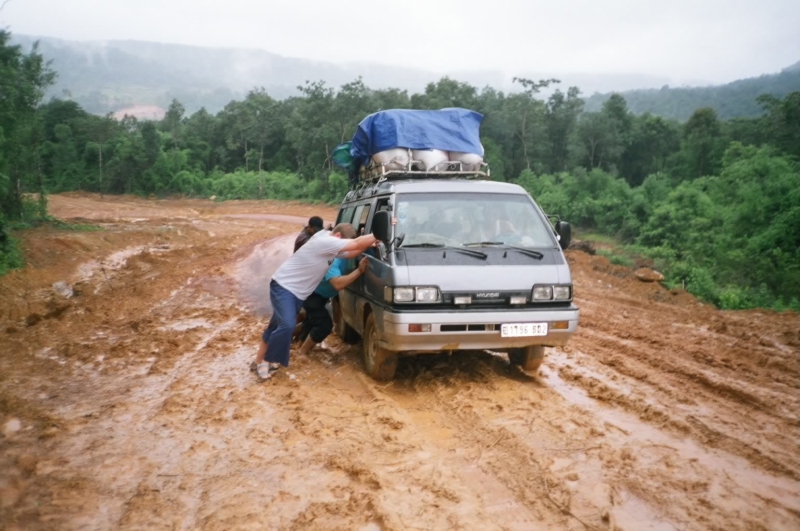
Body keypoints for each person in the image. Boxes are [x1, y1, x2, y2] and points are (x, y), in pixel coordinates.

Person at [251, 223, 377, 380]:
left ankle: (257, 361)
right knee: (287, 325)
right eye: (342, 243)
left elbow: (352, 251)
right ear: (337, 237)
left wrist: (370, 244)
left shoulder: (329, 244)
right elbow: (356, 243)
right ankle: (267, 362)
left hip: (296, 292)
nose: (343, 246)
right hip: (285, 287)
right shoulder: (325, 242)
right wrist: (377, 233)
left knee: (275, 326)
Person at [296, 257, 368, 356]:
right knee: (324, 326)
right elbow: (338, 284)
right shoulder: (334, 260)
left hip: (317, 294)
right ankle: (301, 353)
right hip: (310, 294)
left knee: (311, 322)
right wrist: (359, 271)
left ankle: (294, 343)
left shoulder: (350, 254)